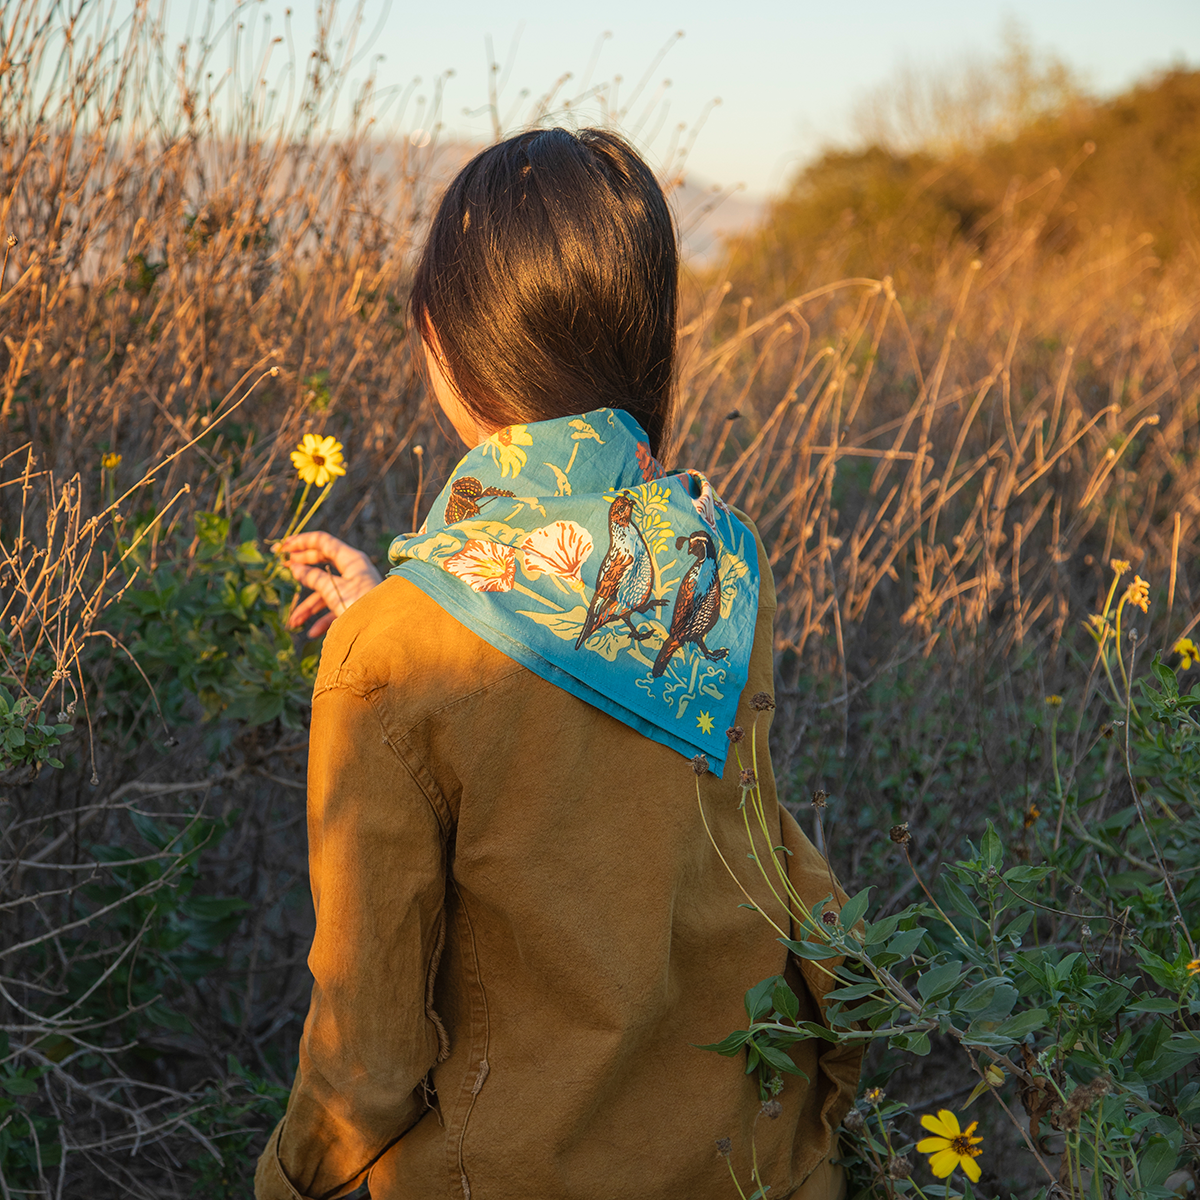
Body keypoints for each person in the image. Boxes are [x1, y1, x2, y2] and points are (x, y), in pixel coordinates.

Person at [255, 127, 860, 1200]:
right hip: (752, 1160)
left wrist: (289, 1181)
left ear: (440, 337)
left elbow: (369, 1055)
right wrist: (383, 616)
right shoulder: (719, 563)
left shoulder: (396, 652)